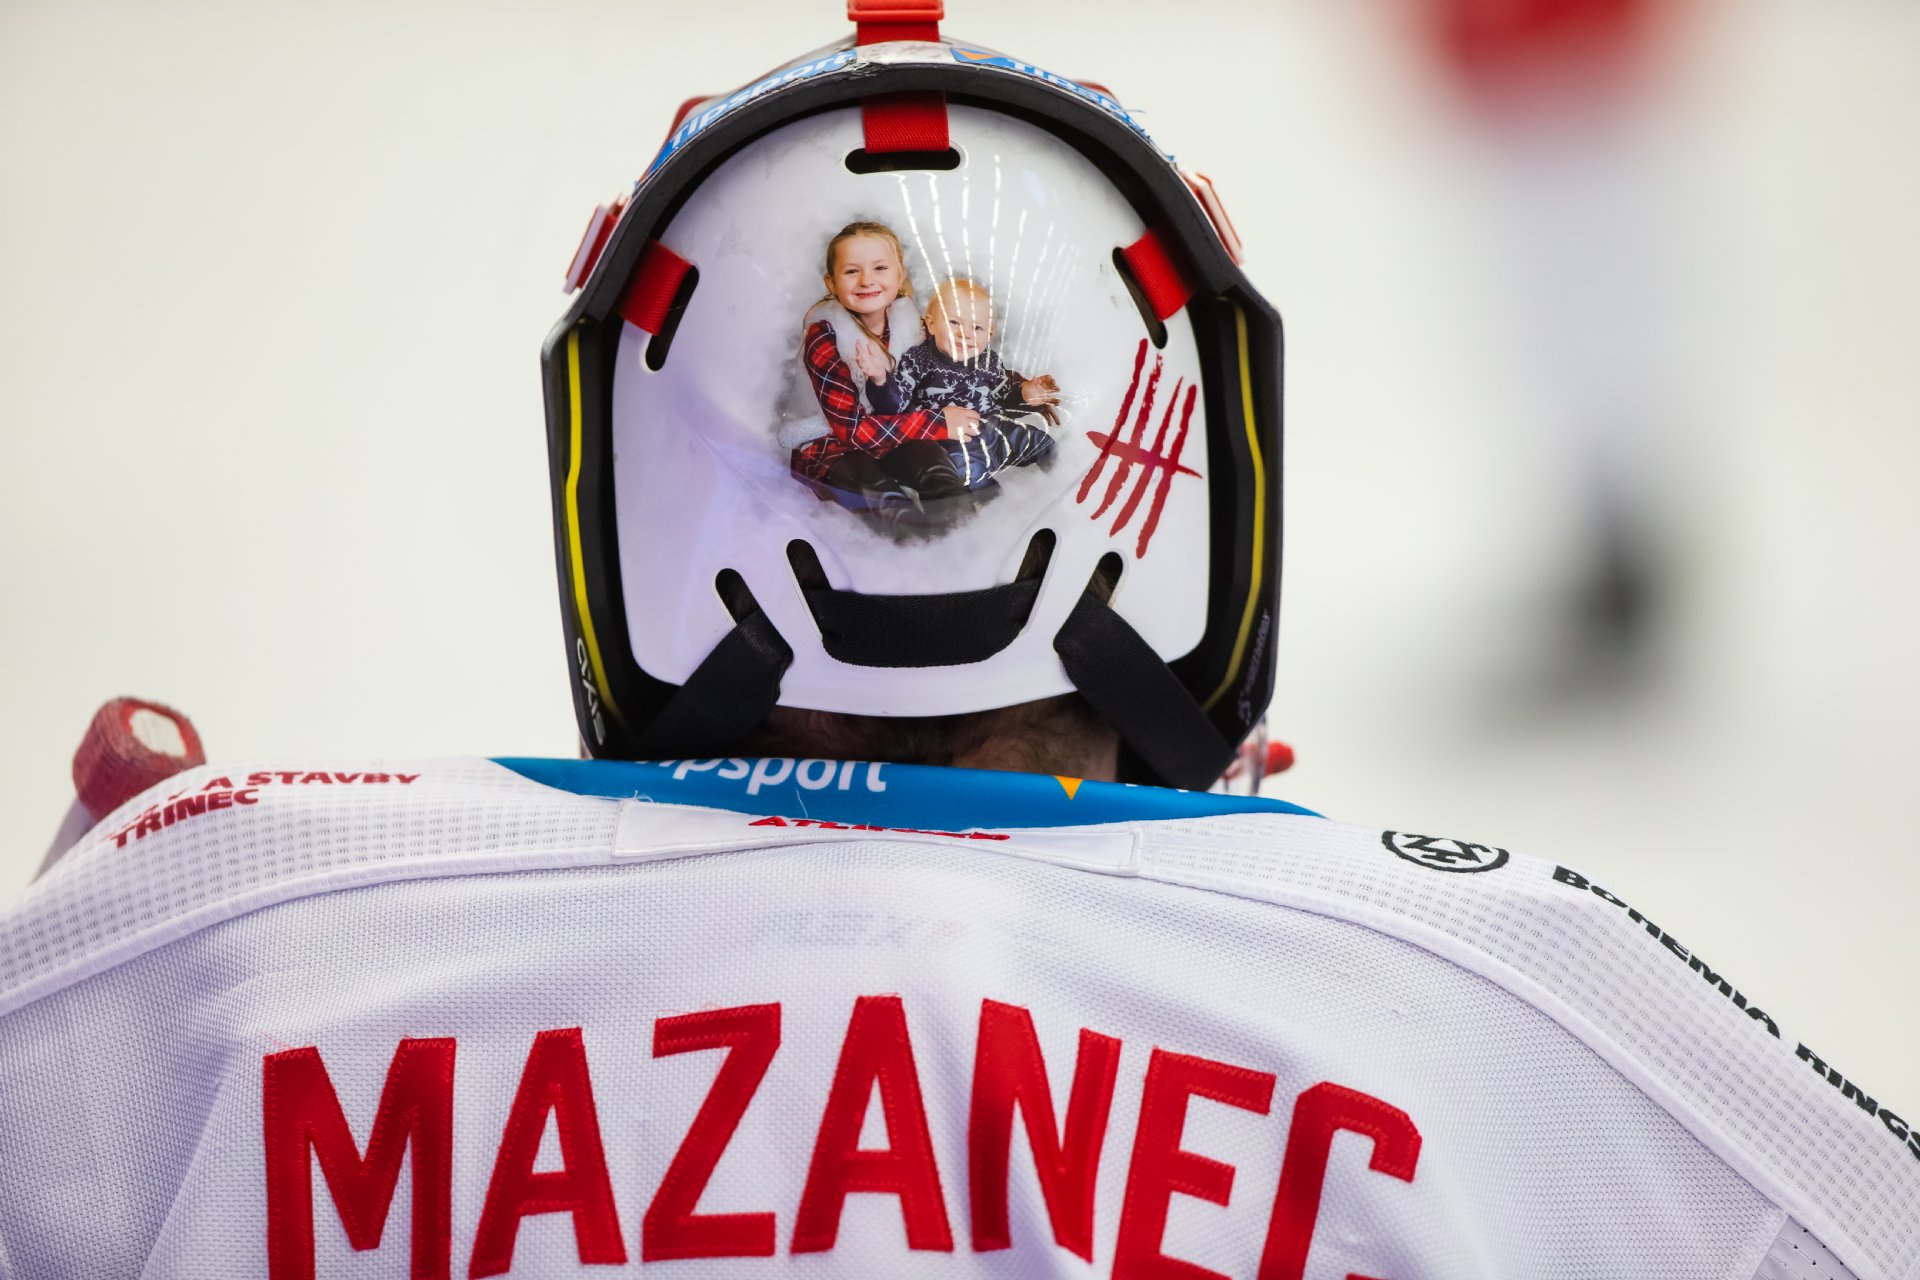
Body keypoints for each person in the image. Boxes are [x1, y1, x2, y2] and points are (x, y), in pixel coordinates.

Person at [1, 4, 1915, 1278]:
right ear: (1204, 498)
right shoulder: (1504, 1009)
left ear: (623, 495)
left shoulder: (229, 959)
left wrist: (113, 956)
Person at [791, 221, 973, 516]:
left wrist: (1017, 389)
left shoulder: (910, 326)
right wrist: (938, 422)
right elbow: (851, 431)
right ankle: (908, 538)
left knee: (936, 468)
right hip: (832, 444)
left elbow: (953, 368)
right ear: (831, 284)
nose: (866, 280)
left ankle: (960, 531)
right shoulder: (825, 334)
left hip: (892, 437)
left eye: (880, 268)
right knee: (881, 495)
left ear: (900, 275)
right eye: (852, 271)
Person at [876, 276, 1062, 490]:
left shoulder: (989, 361)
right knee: (968, 472)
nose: (964, 334)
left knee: (1039, 441)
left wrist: (1025, 393)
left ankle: (1064, 476)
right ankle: (989, 500)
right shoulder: (918, 359)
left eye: (977, 328)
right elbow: (897, 402)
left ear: (989, 334)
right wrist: (880, 381)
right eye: (954, 322)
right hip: (954, 439)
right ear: (931, 324)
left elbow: (1003, 397)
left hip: (995, 429)